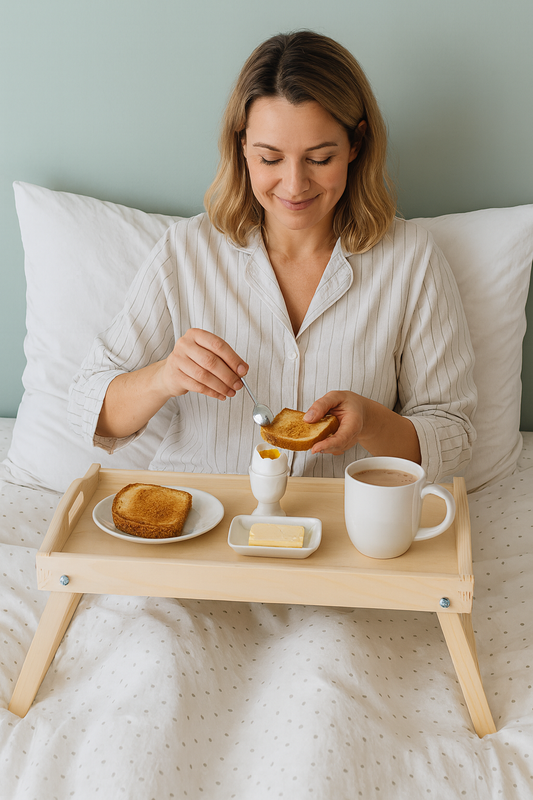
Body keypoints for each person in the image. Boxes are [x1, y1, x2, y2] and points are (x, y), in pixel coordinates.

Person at [68, 30, 476, 483]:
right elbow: (91, 407)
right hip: (206, 521)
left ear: (356, 145)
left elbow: (453, 437)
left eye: (320, 158)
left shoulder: (412, 260)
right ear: (242, 145)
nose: (295, 185)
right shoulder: (184, 251)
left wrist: (372, 422)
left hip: (342, 528)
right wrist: (164, 376)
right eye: (270, 159)